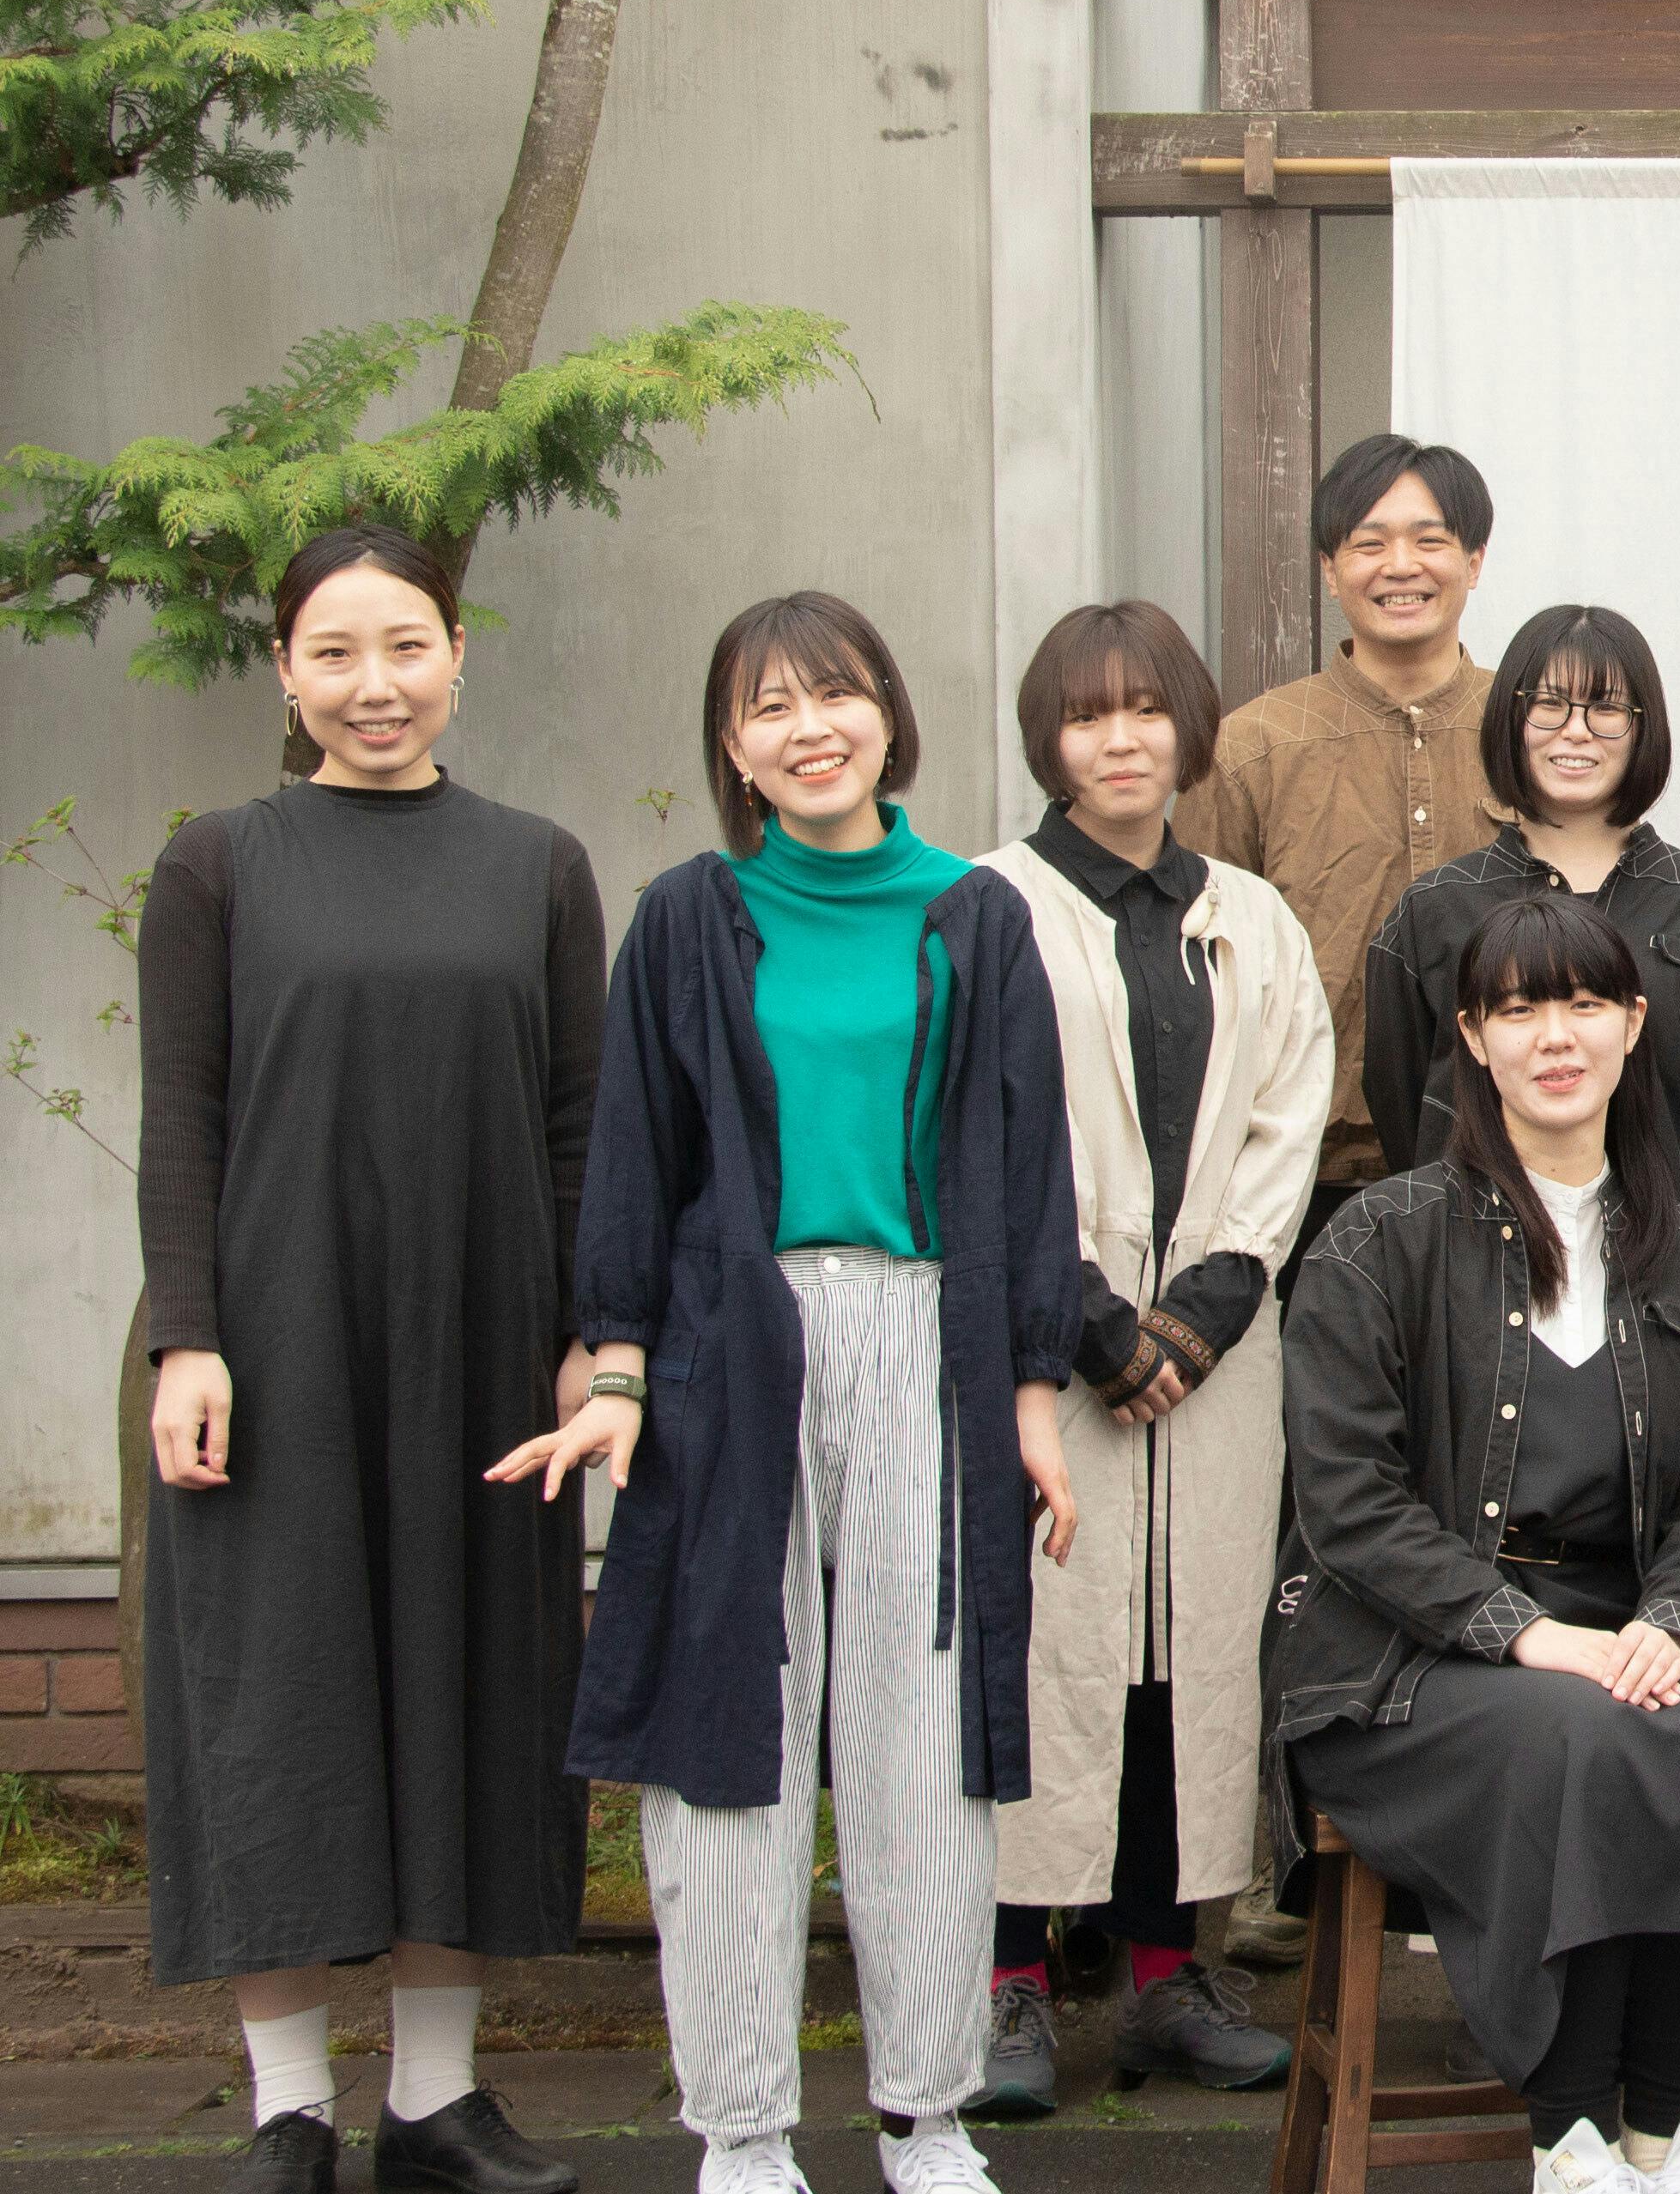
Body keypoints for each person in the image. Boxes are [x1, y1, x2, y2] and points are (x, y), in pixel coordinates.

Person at [496, 593, 1082, 2194]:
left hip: (932, 1341)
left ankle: (929, 2114)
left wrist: (1031, 1399)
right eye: (770, 706)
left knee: (922, 1740)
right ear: (733, 748)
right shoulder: (686, 917)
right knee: (722, 1735)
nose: (810, 726)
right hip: (728, 1350)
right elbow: (636, 1159)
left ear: (889, 711)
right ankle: (743, 2130)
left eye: (836, 693)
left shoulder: (977, 915)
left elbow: (1030, 1169)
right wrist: (619, 1366)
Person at [137, 523, 603, 2194]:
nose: (373, 684)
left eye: (404, 645)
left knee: (465, 1687)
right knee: (283, 1701)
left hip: (483, 1352)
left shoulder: (537, 865)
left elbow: (577, 1129)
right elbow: (181, 1118)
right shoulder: (219, 863)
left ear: (458, 652)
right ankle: (288, 2112)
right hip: (277, 1351)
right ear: (285, 671)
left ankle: (433, 2104)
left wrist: (585, 1339)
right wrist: (187, 1336)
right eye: (332, 653)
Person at [1275, 894, 1680, 2194]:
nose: (1553, 1036)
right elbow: (1348, 1501)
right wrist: (1524, 1633)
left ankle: (1666, 2140)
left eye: (1582, 1004)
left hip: (1617, 1648)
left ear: (1633, 1024)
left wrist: (1671, 1624)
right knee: (1585, 1740)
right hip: (1397, 1670)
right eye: (1517, 1008)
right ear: (1472, 1036)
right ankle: (1569, 2139)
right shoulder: (1378, 1240)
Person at [1364, 604, 1680, 1935]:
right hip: (1481, 1322)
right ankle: (1504, 1940)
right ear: (1506, 719)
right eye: (1546, 703)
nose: (1574, 731)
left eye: (1605, 705)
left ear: (1644, 726)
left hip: (1668, 1321)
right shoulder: (1433, 913)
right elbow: (1404, 1108)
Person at [969, 603, 1335, 2117]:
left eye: (1145, 710)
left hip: (1216, 1359)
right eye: (1085, 715)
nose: (1119, 740)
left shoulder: (1251, 916)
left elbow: (1289, 1113)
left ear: (1189, 729)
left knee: (1190, 1662)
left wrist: (1204, 1306)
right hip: (1042, 1354)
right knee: (1039, 1652)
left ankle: (1167, 1977)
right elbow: (971, 1129)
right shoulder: (985, 907)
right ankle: (1005, 1984)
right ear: (1046, 738)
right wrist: (1088, 1320)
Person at [1190, 433, 1501, 1302]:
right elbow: (1199, 970)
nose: (1401, 565)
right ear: (1330, 570)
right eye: (1369, 543)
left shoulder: (1534, 729)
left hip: (1513, 1157)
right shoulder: (1251, 748)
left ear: (1474, 561)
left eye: (1430, 540)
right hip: (1309, 1175)